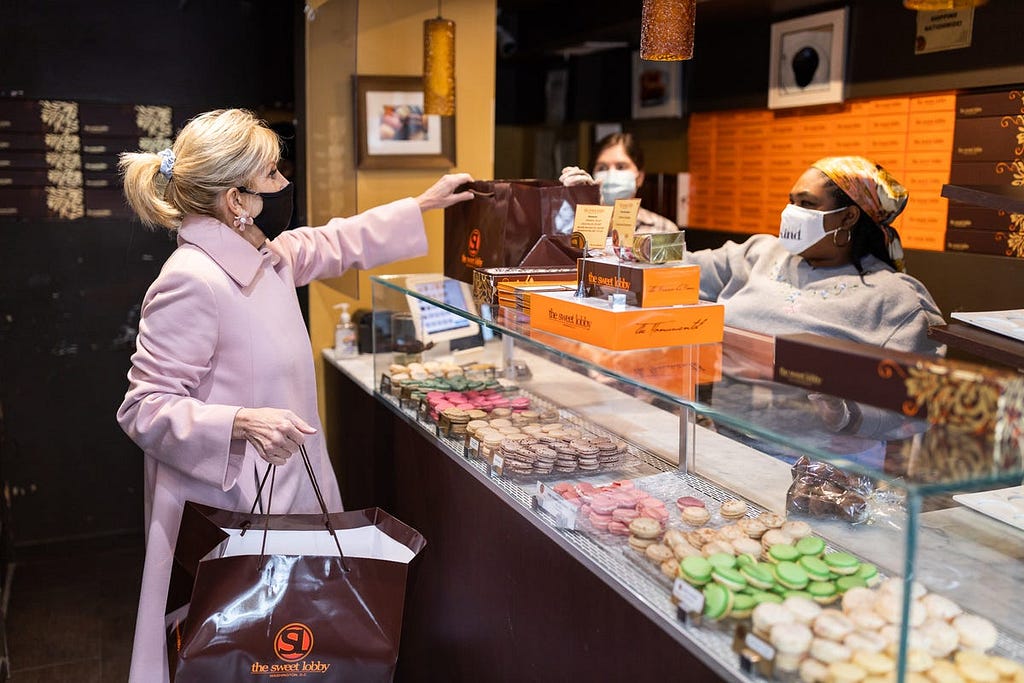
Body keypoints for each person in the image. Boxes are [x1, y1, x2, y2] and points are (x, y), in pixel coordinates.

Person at [116, 108, 473, 683]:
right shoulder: (193, 279)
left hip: (287, 489)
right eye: (272, 178)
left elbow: (328, 242)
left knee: (285, 652)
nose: (284, 187)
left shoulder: (261, 259)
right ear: (235, 201)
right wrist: (240, 421)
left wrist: (422, 206)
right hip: (230, 505)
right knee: (232, 650)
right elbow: (144, 407)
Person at [687, 156, 945, 437]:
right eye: (791, 201)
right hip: (724, 439)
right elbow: (680, 271)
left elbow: (919, 399)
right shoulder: (759, 253)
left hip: (818, 466)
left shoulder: (896, 298)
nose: (791, 212)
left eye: (807, 204)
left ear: (848, 216)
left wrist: (845, 413)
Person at [559, 132, 679, 234]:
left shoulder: (664, 230)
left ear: (640, 177)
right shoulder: (573, 224)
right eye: (602, 168)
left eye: (621, 167)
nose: (611, 174)